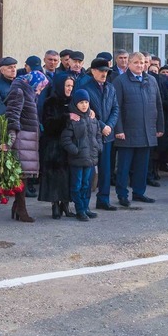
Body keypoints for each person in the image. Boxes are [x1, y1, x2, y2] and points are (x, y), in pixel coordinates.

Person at [112, 52, 164, 206]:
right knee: (124, 166)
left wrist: (159, 126)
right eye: (136, 63)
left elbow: (158, 105)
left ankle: (139, 193)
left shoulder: (152, 80)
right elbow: (116, 107)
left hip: (147, 131)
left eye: (142, 63)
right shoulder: (120, 81)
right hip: (127, 132)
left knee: (142, 166)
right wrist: (118, 129)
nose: (140, 66)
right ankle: (122, 195)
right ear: (129, 63)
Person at [77, 58, 120, 212]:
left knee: (106, 169)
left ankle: (104, 199)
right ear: (93, 71)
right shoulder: (85, 88)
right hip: (91, 135)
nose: (104, 74)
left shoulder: (110, 87)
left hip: (107, 135)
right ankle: (84, 204)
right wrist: (102, 126)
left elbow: (115, 108)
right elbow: (86, 111)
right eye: (101, 71)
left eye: (106, 71)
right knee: (89, 171)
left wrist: (109, 126)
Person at [4, 70, 44, 222]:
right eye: (40, 86)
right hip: (21, 139)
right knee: (21, 175)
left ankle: (18, 206)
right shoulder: (20, 91)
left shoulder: (28, 91)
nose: (40, 89)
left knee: (24, 175)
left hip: (28, 139)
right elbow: (13, 114)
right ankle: (21, 208)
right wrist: (11, 137)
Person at [60, 89, 102, 222]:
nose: (84, 105)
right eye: (81, 102)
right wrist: (75, 150)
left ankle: (86, 207)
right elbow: (65, 139)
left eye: (86, 102)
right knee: (77, 185)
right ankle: (80, 209)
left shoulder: (92, 118)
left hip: (90, 158)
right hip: (77, 159)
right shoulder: (73, 119)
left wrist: (98, 146)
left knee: (87, 185)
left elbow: (98, 135)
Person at [40, 75, 75, 218]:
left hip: (70, 144)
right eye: (67, 86)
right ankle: (55, 204)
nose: (69, 89)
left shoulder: (74, 101)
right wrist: (66, 117)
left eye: (72, 86)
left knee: (68, 176)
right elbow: (48, 124)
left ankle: (66, 205)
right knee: (54, 176)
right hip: (53, 144)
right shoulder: (50, 102)